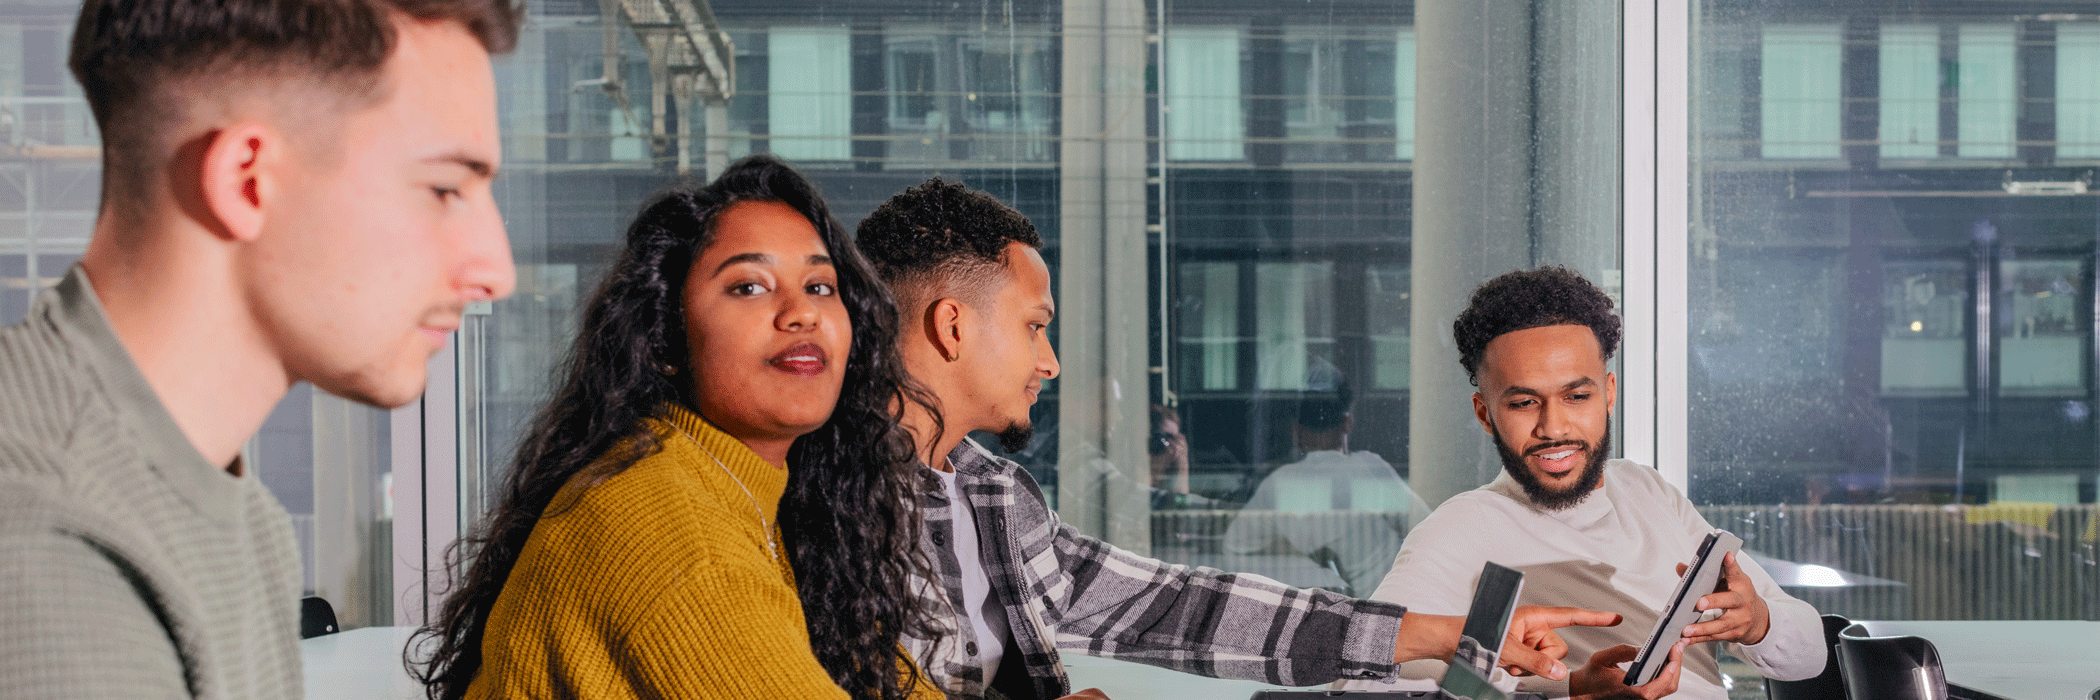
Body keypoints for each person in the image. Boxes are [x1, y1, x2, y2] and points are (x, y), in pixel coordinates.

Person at [855, 178, 1618, 700]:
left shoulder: (994, 495)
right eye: (1035, 327)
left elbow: (1176, 608)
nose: (1049, 362)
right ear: (953, 326)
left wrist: (1444, 637)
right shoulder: (827, 496)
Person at [0, 0, 520, 697]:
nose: (495, 271)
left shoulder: (231, 509)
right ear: (245, 181)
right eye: (444, 189)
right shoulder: (50, 545)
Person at [413, 156, 942, 700]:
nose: (802, 313)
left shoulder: (775, 503)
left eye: (821, 286)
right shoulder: (666, 526)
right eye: (749, 287)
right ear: (666, 341)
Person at [1346, 266, 1824, 699]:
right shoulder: (1462, 528)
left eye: (1576, 396)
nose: (1553, 428)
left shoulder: (1646, 490)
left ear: (1608, 394)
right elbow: (1358, 683)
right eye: (1523, 403)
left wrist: (1756, 622)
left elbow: (1811, 655)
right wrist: (1567, 693)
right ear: (1485, 414)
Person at [1225, 386, 1431, 596]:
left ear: (1296, 430)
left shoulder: (1277, 484)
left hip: (1325, 601)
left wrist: (1296, 554)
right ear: (1347, 423)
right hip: (1392, 594)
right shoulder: (1369, 468)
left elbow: (1234, 546)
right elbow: (1425, 523)